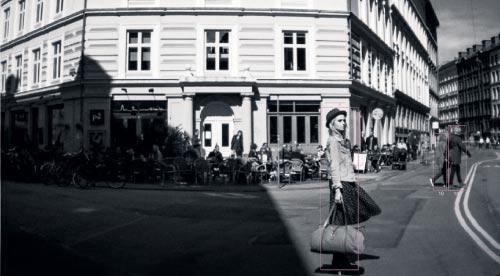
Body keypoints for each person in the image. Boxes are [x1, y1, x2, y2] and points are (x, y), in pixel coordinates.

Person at [324, 108, 381, 269]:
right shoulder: (333, 141)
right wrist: (337, 189)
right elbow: (334, 166)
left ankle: (340, 259)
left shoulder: (343, 140)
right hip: (341, 184)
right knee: (342, 221)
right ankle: (340, 260)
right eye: (339, 121)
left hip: (348, 182)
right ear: (331, 124)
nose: (343, 123)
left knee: (346, 219)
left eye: (344, 120)